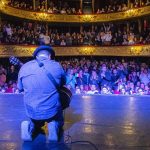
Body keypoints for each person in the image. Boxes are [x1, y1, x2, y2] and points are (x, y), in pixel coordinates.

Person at [17, 45, 66, 142]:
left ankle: (30, 127)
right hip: (51, 110)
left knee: (35, 118)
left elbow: (20, 88)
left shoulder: (24, 67)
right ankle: (54, 124)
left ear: (36, 57)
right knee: (59, 103)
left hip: (31, 110)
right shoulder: (56, 65)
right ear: (49, 57)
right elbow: (63, 83)